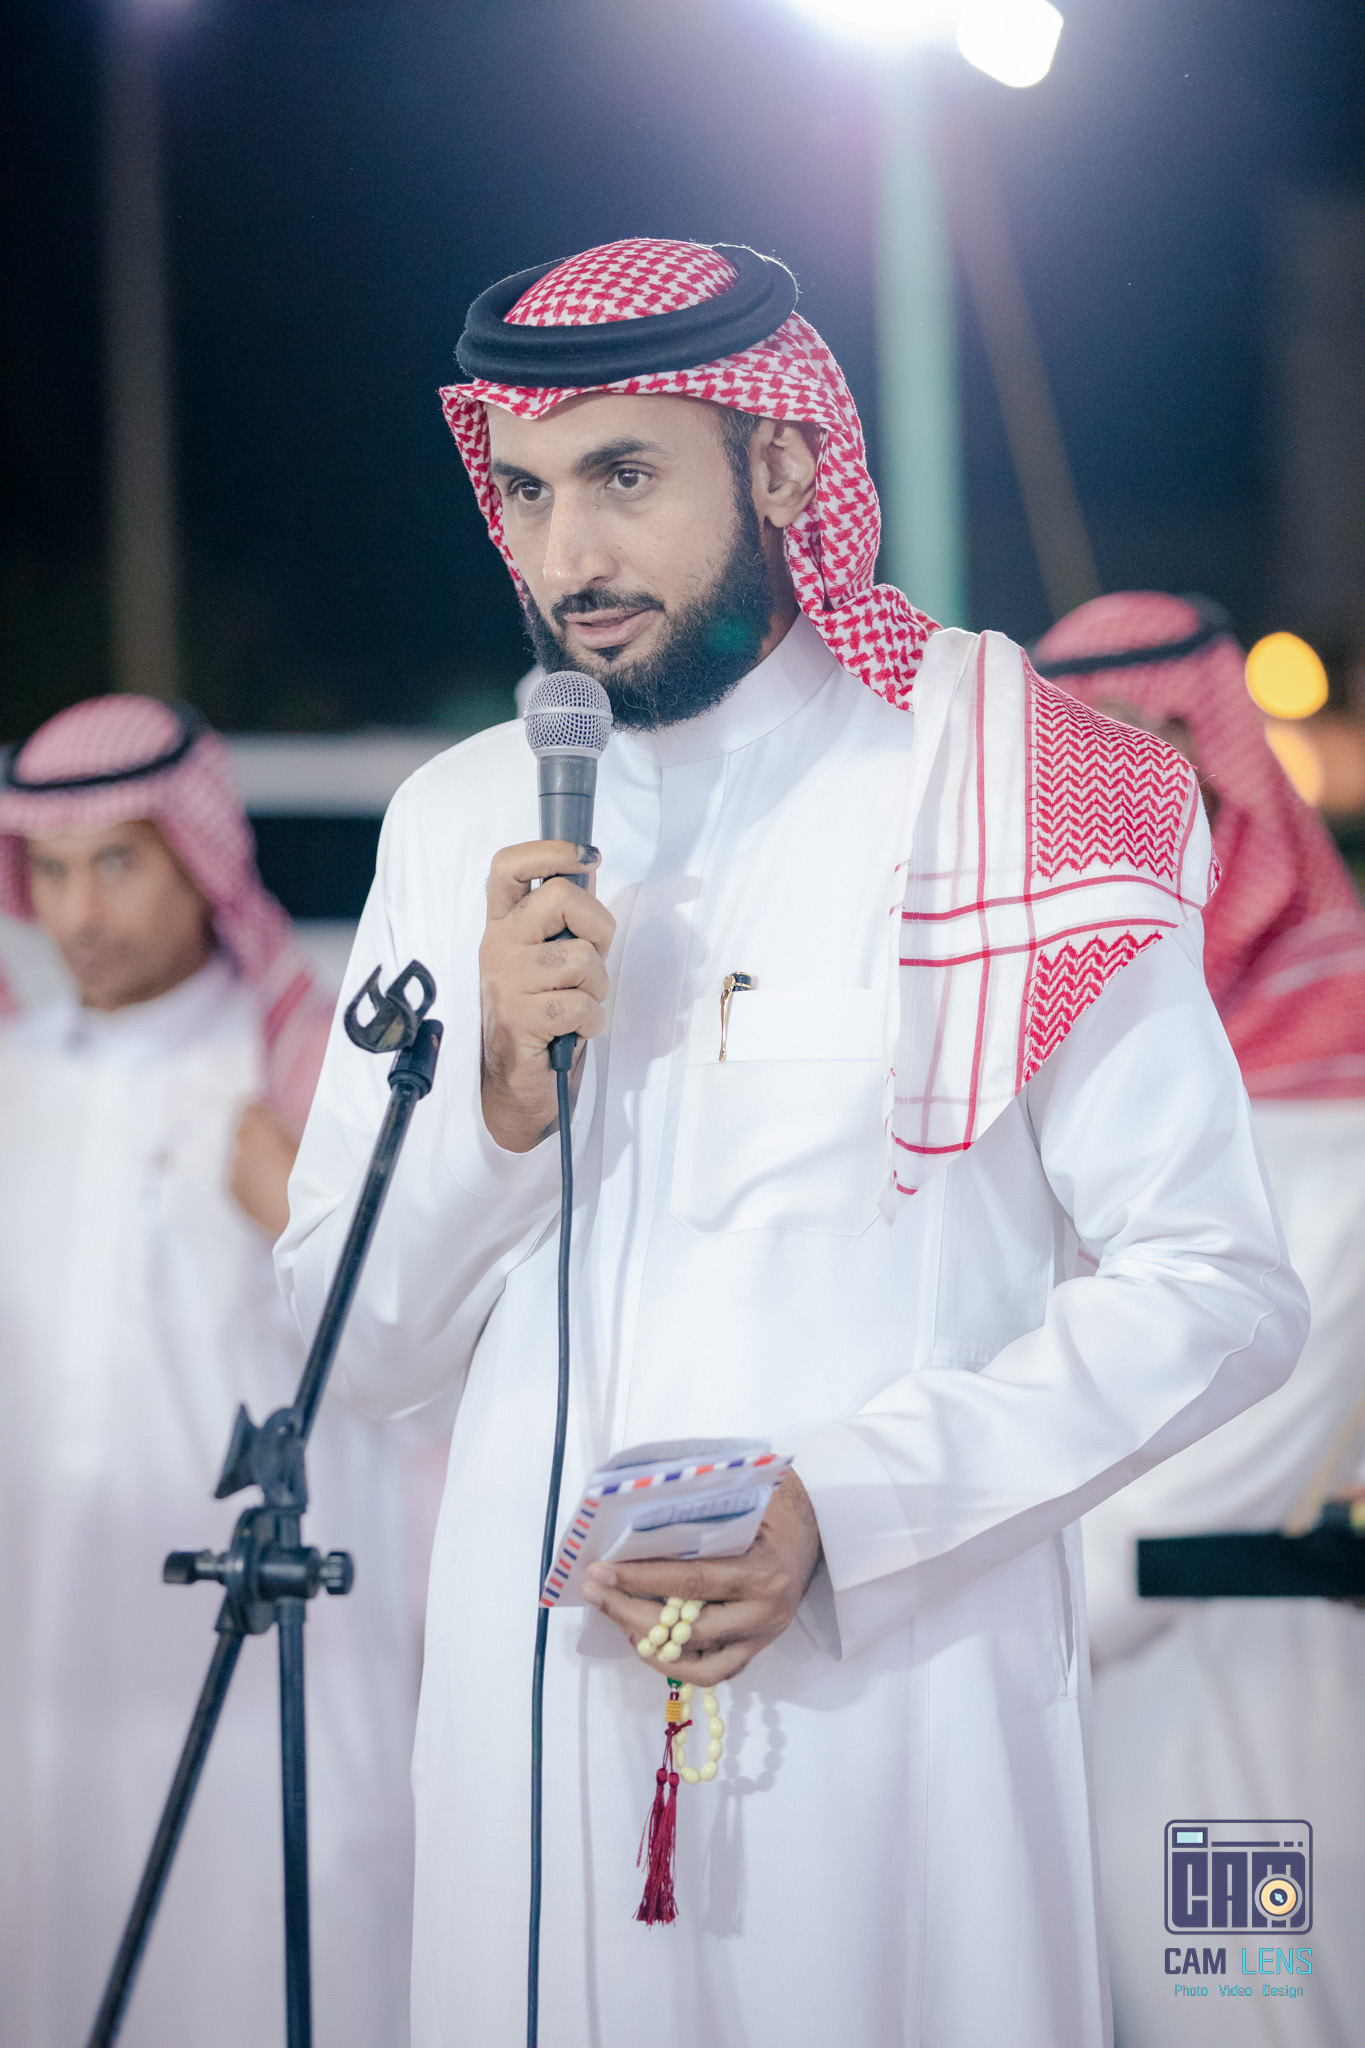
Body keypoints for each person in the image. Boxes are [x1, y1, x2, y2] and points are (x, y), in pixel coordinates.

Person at [278, 239, 1306, 2048]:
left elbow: (1216, 1286)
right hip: (536, 1731)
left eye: (622, 476)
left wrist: (849, 1498)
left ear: (780, 459)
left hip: (888, 1708)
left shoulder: (1010, 786)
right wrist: (499, 1100)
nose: (566, 558)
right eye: (526, 491)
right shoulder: (456, 823)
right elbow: (346, 1349)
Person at [0, 695, 418, 2048]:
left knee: (259, 1942)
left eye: (117, 862)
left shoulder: (307, 1068)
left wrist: (297, 1203)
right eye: (51, 870)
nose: (79, 912)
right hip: (45, 1645)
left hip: (256, 1631)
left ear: (200, 858)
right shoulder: (14, 1074)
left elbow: (415, 1348)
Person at [1034, 591, 1365, 2046]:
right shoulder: (1048, 1061)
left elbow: (1245, 1421)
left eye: (1147, 763)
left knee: (1240, 2002)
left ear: (1225, 787)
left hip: (1224, 1668)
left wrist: (969, 1576)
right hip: (1048, 1666)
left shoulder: (1333, 1057)